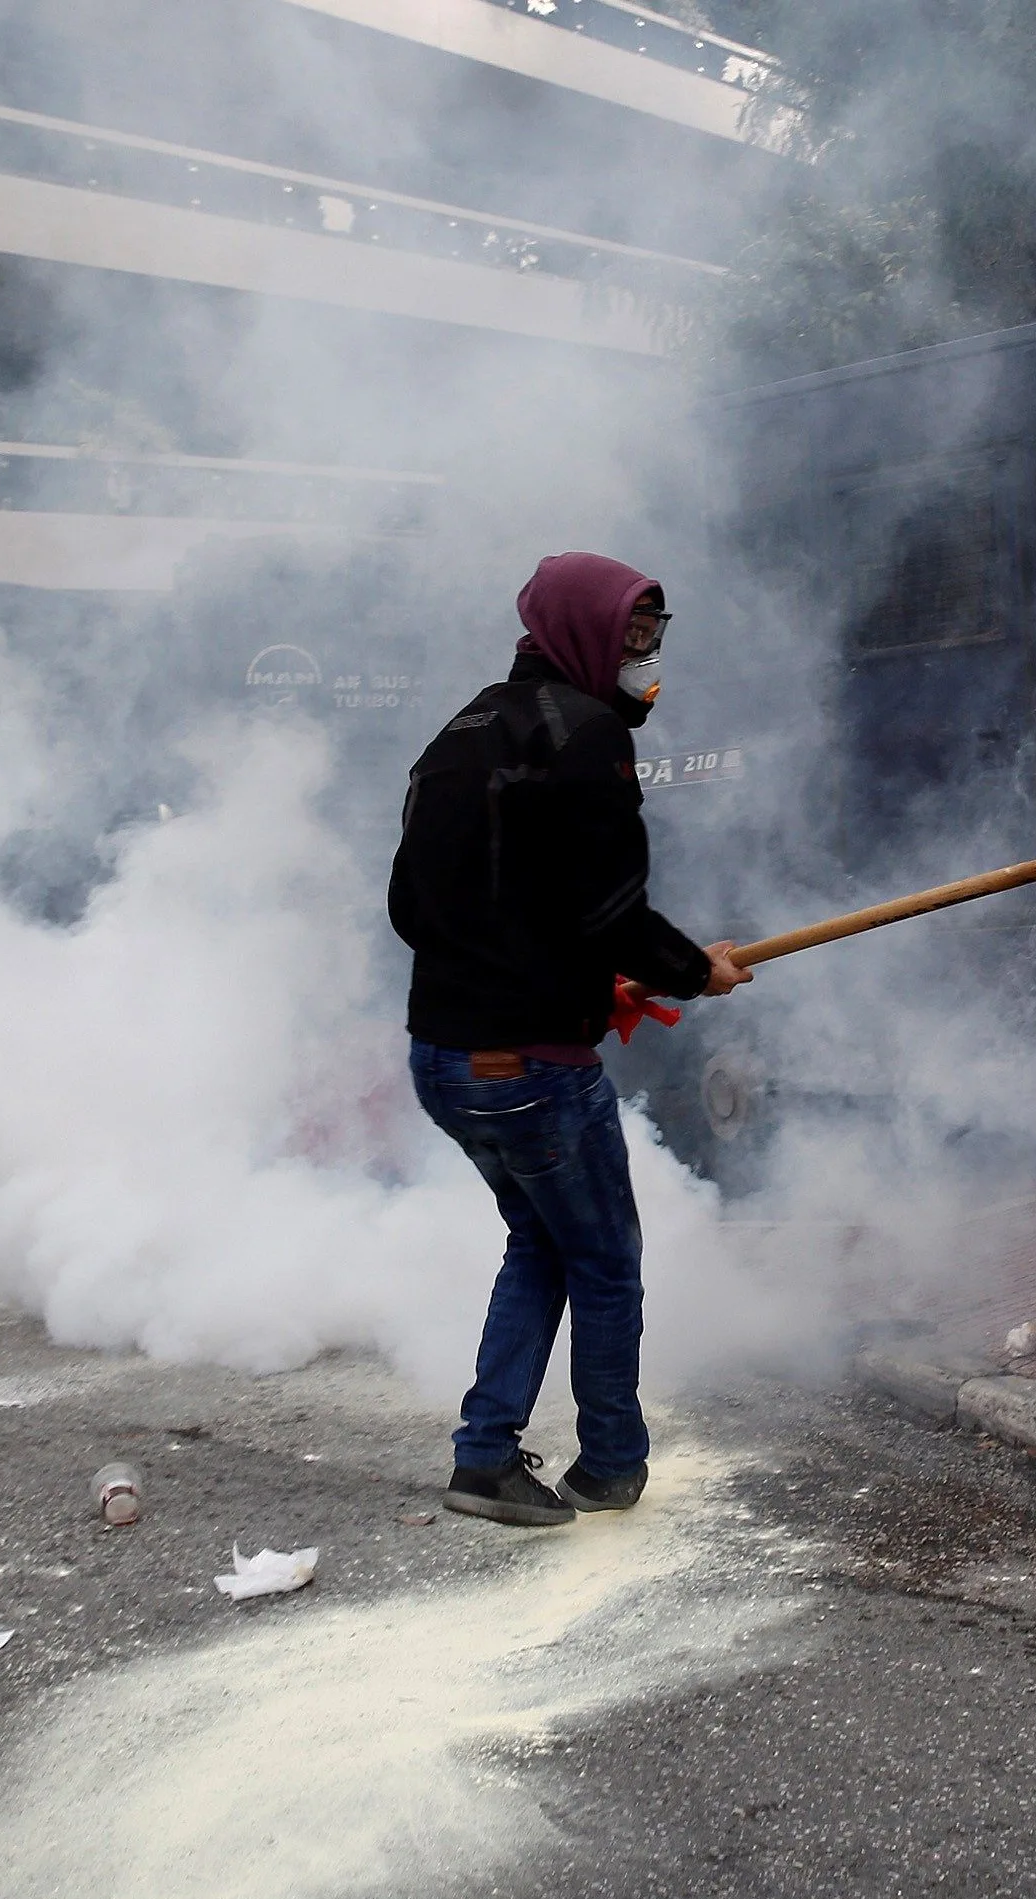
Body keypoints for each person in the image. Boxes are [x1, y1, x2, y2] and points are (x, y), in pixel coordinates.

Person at [388, 551, 748, 1527]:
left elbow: (411, 909)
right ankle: (608, 1467)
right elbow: (612, 909)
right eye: (632, 638)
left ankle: (484, 1457)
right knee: (601, 1259)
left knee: (540, 1244)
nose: (645, 659)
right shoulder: (586, 736)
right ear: (583, 633)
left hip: (443, 1059)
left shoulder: (454, 734)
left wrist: (579, 972)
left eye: (653, 638)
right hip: (530, 1066)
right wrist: (690, 971)